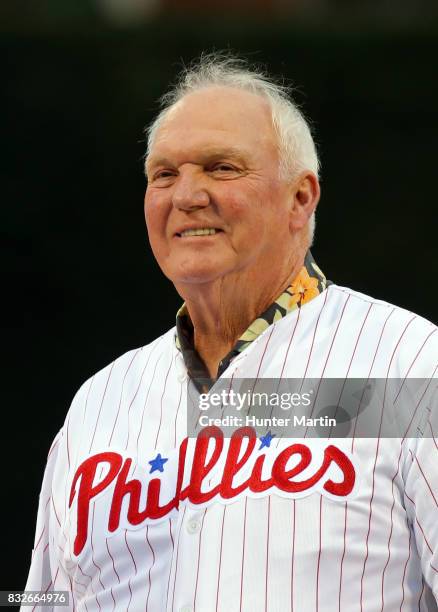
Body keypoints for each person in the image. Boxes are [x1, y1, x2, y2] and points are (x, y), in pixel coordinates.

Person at [25, 53, 437, 612]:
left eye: (222, 168)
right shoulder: (99, 402)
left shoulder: (407, 364)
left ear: (301, 198)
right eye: (164, 175)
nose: (186, 195)